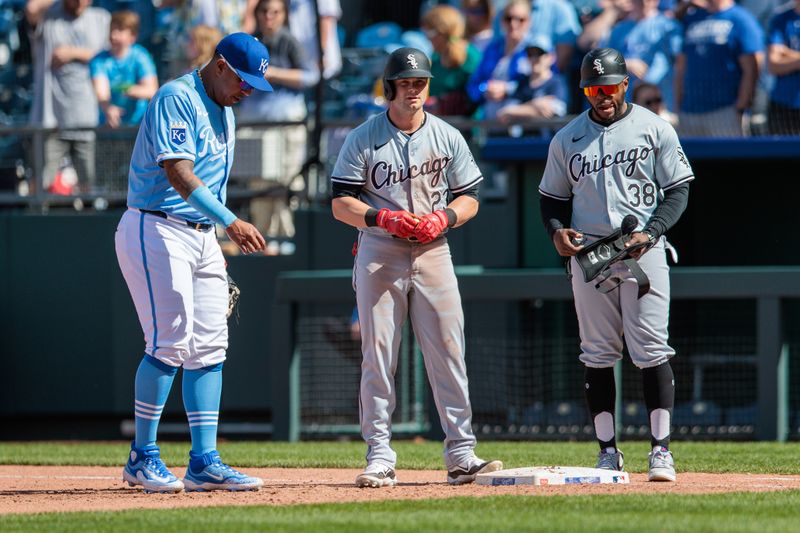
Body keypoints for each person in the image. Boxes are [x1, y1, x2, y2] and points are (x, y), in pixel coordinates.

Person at [330, 47, 503, 488]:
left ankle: (461, 452)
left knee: (448, 350)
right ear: (389, 88)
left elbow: (470, 197)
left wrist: (444, 216)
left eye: (420, 83)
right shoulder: (364, 137)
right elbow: (340, 203)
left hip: (433, 250)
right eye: (405, 83)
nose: (413, 90)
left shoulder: (446, 135)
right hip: (379, 250)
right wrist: (379, 216)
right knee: (379, 354)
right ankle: (380, 454)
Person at [115, 32, 270, 493]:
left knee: (209, 345)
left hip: (200, 236)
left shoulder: (225, 110)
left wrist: (215, 236)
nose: (246, 90)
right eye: (242, 80)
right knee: (169, 339)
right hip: (155, 225)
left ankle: (204, 460)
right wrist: (230, 222)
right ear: (220, 64)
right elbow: (178, 173)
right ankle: (142, 457)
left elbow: (208, 185)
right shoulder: (176, 96)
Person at [538, 48, 693, 482]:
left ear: (624, 84)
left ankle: (660, 450)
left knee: (651, 349)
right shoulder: (567, 137)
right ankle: (607, 451)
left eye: (609, 87)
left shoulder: (653, 127)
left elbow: (678, 189)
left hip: (643, 250)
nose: (602, 96)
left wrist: (655, 229)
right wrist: (555, 232)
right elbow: (551, 197)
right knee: (598, 352)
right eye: (593, 88)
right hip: (591, 254)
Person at [240, 0, 314, 245]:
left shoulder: (290, 41)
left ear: (284, 15)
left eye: (275, 12)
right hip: (255, 125)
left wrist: (273, 73)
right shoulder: (252, 41)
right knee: (258, 184)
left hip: (286, 124)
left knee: (285, 181)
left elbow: (310, 76)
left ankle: (285, 239)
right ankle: (262, 240)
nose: (269, 17)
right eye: (264, 11)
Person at [26, 0, 110, 192]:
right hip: (51, 120)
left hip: (87, 120)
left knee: (90, 186)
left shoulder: (100, 18)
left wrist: (74, 53)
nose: (81, 3)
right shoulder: (49, 16)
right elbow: (31, 8)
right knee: (41, 185)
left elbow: (111, 55)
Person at [673, 0, 763, 137]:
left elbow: (752, 68)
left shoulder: (741, 19)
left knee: (726, 158)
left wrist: (740, 107)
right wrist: (678, 105)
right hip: (689, 111)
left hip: (725, 111)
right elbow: (681, 65)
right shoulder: (692, 18)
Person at [90, 10, 158, 129]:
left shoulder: (141, 56)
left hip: (139, 126)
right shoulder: (99, 60)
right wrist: (108, 108)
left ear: (132, 37)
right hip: (108, 127)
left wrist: (131, 90)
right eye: (112, 29)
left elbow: (152, 90)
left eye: (120, 30)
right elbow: (101, 92)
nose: (113, 35)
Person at [466, 0, 532, 120]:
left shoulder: (537, 50)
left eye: (520, 19)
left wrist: (507, 89)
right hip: (490, 123)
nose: (513, 24)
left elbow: (541, 85)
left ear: (528, 22)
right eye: (509, 18)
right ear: (502, 21)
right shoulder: (492, 49)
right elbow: (473, 85)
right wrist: (485, 89)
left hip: (523, 126)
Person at [421, 4, 481, 117]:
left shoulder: (471, 56)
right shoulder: (436, 57)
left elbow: (475, 94)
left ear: (441, 32)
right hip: (439, 124)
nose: (427, 38)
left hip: (467, 127)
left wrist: (448, 102)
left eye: (429, 32)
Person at [497, 35, 568, 124]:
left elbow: (556, 110)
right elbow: (506, 112)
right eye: (530, 54)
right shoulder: (522, 83)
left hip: (549, 137)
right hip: (524, 136)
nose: (534, 59)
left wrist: (518, 111)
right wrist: (535, 104)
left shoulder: (556, 82)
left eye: (539, 54)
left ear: (550, 57)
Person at [766, 0, 800, 135]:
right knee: (780, 154)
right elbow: (773, 65)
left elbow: (779, 55)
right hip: (783, 105)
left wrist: (786, 53)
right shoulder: (781, 18)